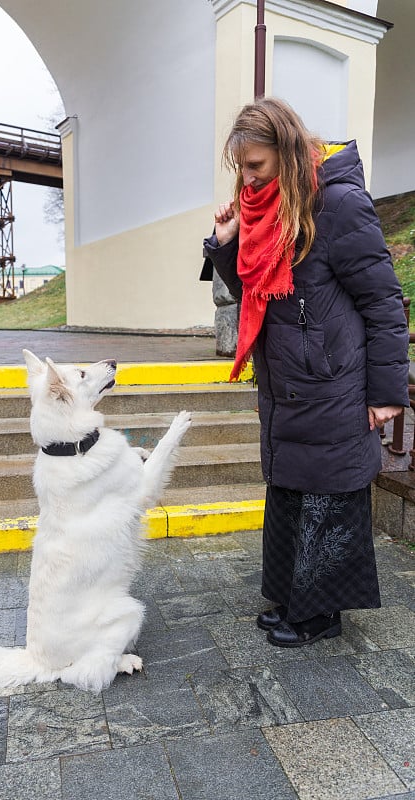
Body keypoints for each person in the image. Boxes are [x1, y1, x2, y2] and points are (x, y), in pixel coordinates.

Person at [203, 97, 409, 648]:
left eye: (256, 167)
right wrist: (224, 246)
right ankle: (291, 597)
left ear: (289, 153)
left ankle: (321, 614)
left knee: (328, 497)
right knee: (292, 493)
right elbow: (257, 293)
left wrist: (389, 392)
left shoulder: (338, 204)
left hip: (333, 382)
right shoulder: (266, 209)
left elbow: (386, 302)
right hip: (286, 381)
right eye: (241, 167)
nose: (246, 179)